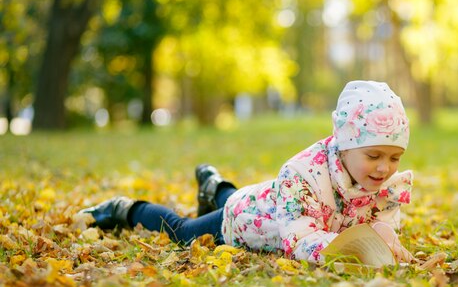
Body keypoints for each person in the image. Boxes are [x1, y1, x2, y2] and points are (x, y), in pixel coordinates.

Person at [80, 80, 415, 263]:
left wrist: (384, 235)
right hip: (244, 222)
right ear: (344, 145)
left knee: (240, 197)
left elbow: (376, 222)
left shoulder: (378, 179)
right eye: (374, 155)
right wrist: (349, 248)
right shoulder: (302, 175)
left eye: (395, 157)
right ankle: (122, 210)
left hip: (266, 201)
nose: (385, 168)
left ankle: (214, 185)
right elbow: (300, 240)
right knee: (184, 232)